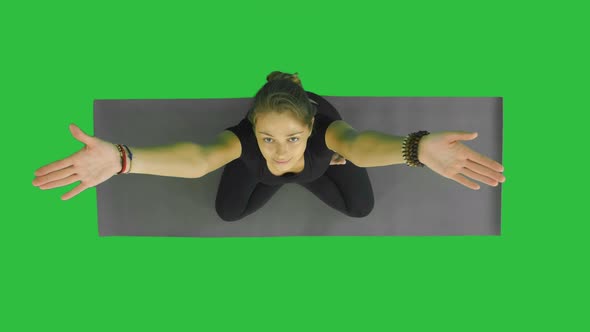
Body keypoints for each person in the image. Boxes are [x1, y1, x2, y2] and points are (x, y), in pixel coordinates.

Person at [32, 71, 506, 222]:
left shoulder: (329, 134)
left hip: (326, 166)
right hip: (268, 169)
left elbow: (359, 146)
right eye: (268, 138)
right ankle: (280, 177)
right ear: (253, 129)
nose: (280, 151)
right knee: (229, 214)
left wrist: (417, 148)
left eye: (294, 138)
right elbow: (199, 159)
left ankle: (306, 176)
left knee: (360, 209)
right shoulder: (242, 141)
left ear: (312, 125)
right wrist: (122, 158)